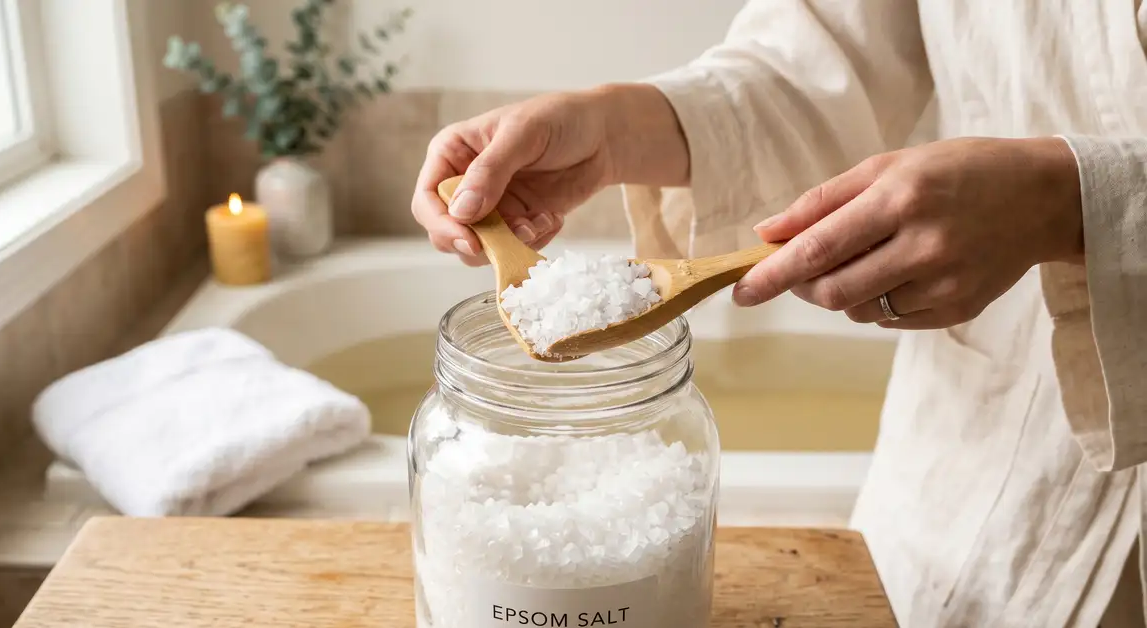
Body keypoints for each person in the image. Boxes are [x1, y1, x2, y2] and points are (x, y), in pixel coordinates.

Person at [410, 2, 1147, 626]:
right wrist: (619, 129)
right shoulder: (448, 435)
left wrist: (1075, 202)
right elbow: (828, 54)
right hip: (961, 490)